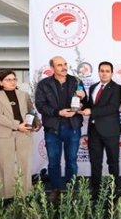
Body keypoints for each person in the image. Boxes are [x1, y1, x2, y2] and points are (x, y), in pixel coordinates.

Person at [35, 56, 86, 194]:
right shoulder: (44, 84)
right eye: (59, 65)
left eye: (65, 64)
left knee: (71, 161)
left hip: (73, 127)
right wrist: (58, 112)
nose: (64, 67)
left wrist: (82, 101)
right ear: (52, 68)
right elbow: (40, 105)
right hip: (52, 129)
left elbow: (84, 102)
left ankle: (71, 190)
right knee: (53, 162)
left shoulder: (76, 81)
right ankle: (55, 190)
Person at [0, 70, 39, 199]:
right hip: (5, 134)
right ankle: (7, 197)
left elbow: (31, 111)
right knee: (6, 165)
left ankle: (25, 195)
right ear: (1, 82)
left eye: (14, 79)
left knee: (25, 164)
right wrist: (17, 126)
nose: (12, 82)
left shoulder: (24, 95)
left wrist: (36, 123)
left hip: (24, 133)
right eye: (8, 80)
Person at [81, 61, 121, 195]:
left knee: (113, 162)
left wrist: (91, 112)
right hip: (93, 130)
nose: (104, 73)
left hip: (110, 131)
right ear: (98, 72)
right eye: (102, 71)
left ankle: (114, 191)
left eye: (107, 71)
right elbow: (90, 105)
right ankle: (95, 191)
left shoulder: (117, 88)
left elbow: (112, 107)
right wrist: (81, 102)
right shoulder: (93, 87)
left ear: (112, 73)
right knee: (95, 162)